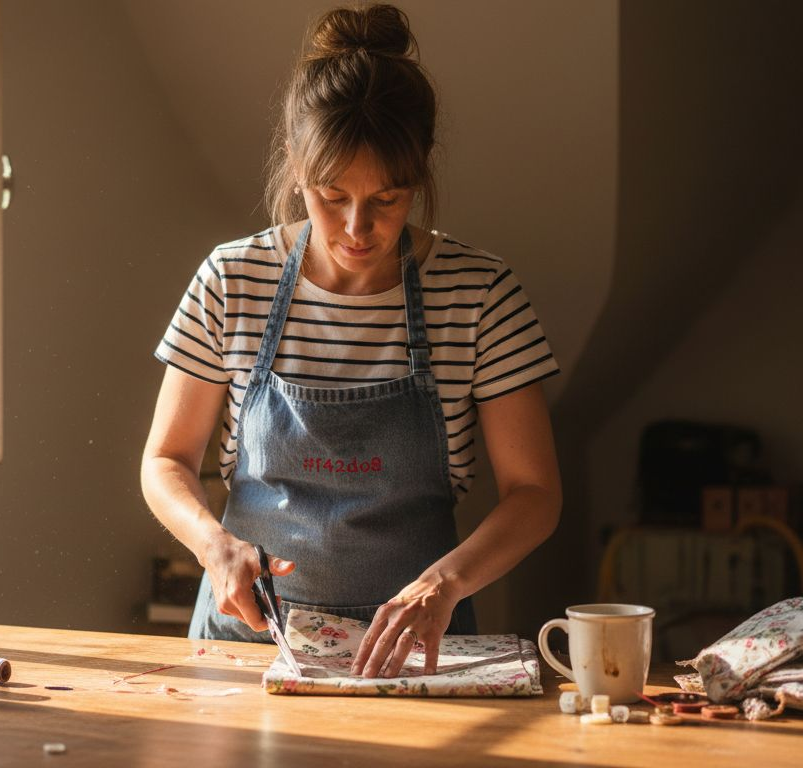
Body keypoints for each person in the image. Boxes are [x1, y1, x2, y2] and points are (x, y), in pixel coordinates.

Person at [140, 3, 561, 679]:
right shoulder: (232, 279)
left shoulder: (480, 294)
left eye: (388, 199)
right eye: (331, 196)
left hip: (415, 652)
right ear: (295, 167)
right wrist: (213, 545)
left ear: (420, 175)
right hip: (246, 650)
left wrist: (444, 586)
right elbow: (164, 460)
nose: (357, 227)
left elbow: (536, 492)